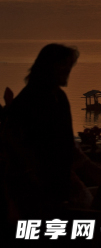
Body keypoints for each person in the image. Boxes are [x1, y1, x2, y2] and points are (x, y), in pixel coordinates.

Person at [1, 44, 87, 218]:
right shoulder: (30, 101)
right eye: (63, 64)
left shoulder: (58, 97)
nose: (68, 69)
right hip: (34, 188)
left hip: (56, 185)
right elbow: (17, 146)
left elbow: (66, 143)